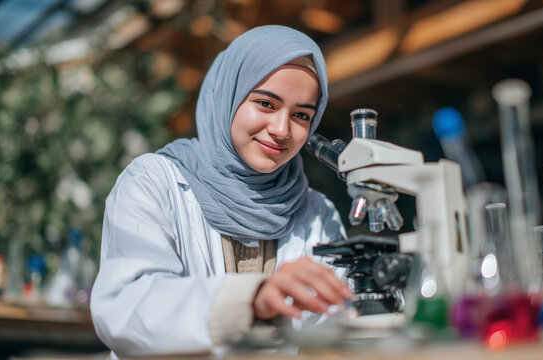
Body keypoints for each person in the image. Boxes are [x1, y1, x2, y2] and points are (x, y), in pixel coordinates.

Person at [90, 25, 352, 357]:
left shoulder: (317, 214)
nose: (281, 130)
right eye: (265, 104)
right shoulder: (153, 182)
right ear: (228, 94)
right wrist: (250, 298)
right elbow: (124, 310)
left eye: (301, 115)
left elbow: (337, 326)